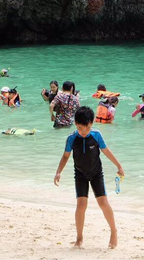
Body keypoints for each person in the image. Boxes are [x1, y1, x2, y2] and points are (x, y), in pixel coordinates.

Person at [54, 106, 124, 249]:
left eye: (86, 128)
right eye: (80, 128)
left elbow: (106, 151)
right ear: (75, 123)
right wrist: (58, 171)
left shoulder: (96, 135)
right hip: (80, 174)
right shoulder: (72, 138)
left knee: (103, 203)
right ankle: (79, 238)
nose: (83, 131)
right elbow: (66, 156)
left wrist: (119, 166)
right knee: (81, 206)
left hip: (96, 174)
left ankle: (114, 231)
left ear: (91, 124)